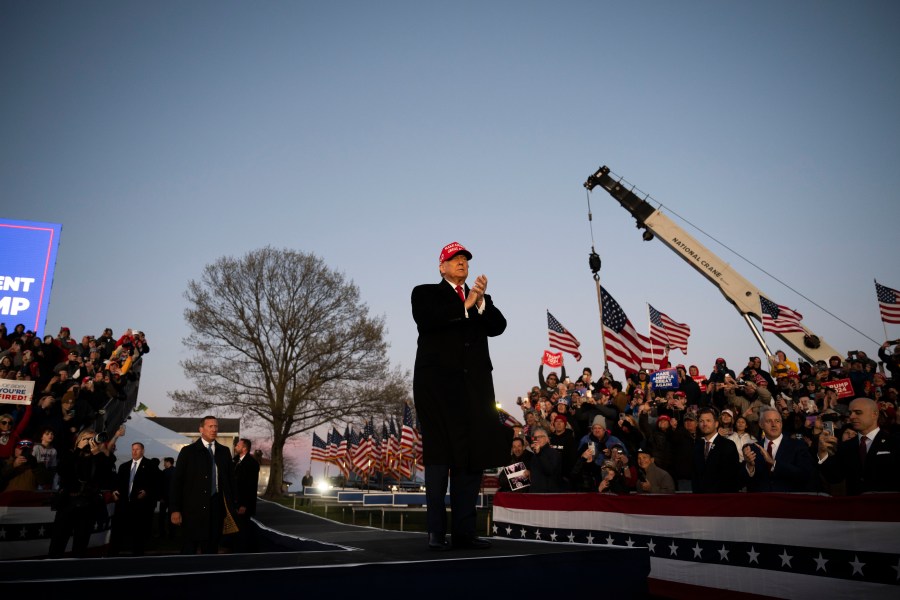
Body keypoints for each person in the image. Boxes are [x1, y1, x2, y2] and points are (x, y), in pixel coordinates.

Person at [411, 241, 511, 551]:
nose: (461, 263)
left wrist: (479, 302)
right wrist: (465, 304)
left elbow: (498, 326)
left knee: (471, 459)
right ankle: (436, 532)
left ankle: (465, 533)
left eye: (465, 259)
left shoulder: (481, 299)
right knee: (440, 458)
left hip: (475, 390)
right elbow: (428, 320)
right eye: (454, 259)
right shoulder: (425, 293)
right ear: (441, 266)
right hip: (438, 389)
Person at [170, 415, 236, 554]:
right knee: (189, 549)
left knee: (211, 549)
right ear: (201, 429)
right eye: (210, 426)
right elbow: (177, 482)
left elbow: (230, 481)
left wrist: (232, 505)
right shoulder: (188, 452)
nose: (214, 429)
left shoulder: (224, 452)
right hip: (192, 509)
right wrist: (175, 509)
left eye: (216, 426)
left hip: (216, 508)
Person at [817, 397, 900, 494]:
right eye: (850, 412)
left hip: (888, 505)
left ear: (875, 414)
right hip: (855, 505)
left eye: (858, 412)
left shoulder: (895, 442)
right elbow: (833, 478)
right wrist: (822, 454)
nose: (851, 416)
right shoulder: (846, 446)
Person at [742, 407, 814, 492]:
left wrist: (774, 463)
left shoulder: (798, 446)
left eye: (777, 421)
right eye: (769, 421)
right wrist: (749, 467)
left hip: (787, 502)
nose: (774, 424)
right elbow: (743, 482)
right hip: (760, 502)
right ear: (761, 424)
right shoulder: (753, 448)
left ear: (781, 424)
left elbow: (805, 475)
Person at [111, 442, 160, 555]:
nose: (134, 451)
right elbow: (118, 483)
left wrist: (147, 492)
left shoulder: (150, 466)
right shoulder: (124, 466)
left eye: (137, 449)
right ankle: (114, 554)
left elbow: (156, 484)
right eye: (133, 449)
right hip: (124, 505)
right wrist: (115, 491)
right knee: (119, 533)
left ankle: (138, 556)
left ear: (142, 451)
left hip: (140, 507)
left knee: (138, 536)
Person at [692, 407, 741, 493]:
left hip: (722, 499)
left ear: (716, 424)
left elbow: (732, 476)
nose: (704, 424)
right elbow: (695, 475)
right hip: (700, 499)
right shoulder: (697, 446)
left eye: (708, 421)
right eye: (701, 421)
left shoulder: (728, 445)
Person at [232, 437, 260, 553]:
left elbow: (250, 486)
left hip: (243, 504)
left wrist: (243, 504)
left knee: (243, 529)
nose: (235, 447)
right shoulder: (235, 461)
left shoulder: (251, 463)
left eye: (238, 446)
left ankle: (243, 553)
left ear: (244, 448)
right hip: (234, 501)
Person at [527, 426, 563, 492]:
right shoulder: (535, 454)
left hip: (548, 494)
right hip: (535, 492)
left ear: (547, 439)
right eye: (535, 437)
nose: (537, 439)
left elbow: (549, 470)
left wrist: (539, 454)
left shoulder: (553, 453)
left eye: (540, 437)